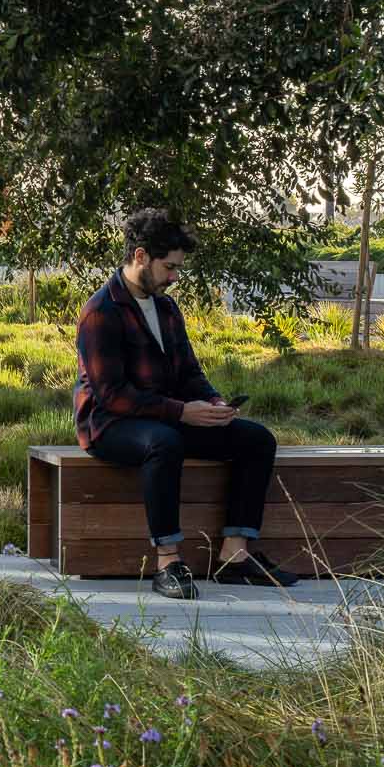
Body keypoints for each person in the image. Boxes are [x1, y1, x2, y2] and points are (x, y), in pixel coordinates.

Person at [74, 208, 299, 599]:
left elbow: (189, 374)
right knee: (165, 442)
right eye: (170, 267)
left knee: (256, 440)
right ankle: (167, 562)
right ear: (140, 256)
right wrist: (181, 412)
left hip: (163, 417)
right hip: (108, 425)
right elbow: (112, 395)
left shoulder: (167, 308)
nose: (175, 277)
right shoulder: (101, 312)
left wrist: (212, 402)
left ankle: (235, 556)